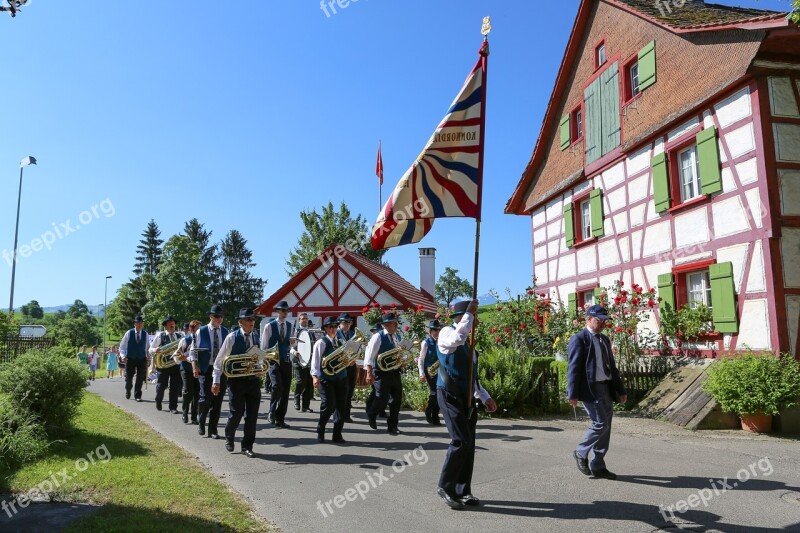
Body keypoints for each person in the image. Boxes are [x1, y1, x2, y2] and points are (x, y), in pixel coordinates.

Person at [435, 299, 497, 510]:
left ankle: (463, 489)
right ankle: (446, 486)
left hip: (467, 397)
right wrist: (468, 315)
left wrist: (485, 397)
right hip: (448, 393)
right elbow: (456, 338)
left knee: (468, 444)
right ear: (461, 318)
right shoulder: (446, 333)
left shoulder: (470, 347)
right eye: (473, 316)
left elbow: (473, 378)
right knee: (460, 440)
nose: (476, 320)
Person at [568, 304, 627, 481]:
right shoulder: (579, 339)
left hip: (606, 387)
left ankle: (598, 465)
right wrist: (572, 393)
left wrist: (620, 389)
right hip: (590, 389)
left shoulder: (604, 340)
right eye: (598, 320)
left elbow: (612, 367)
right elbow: (574, 368)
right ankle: (580, 452)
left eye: (604, 321)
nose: (602, 324)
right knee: (600, 423)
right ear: (588, 319)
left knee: (606, 426)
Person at [212, 308, 263, 458]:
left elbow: (259, 357)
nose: (252, 322)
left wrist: (260, 367)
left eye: (253, 320)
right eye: (248, 320)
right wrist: (216, 381)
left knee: (252, 416)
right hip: (236, 382)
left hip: (253, 381)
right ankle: (229, 436)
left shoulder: (256, 336)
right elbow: (219, 361)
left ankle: (247, 446)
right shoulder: (231, 337)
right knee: (236, 413)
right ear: (240, 322)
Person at [190, 305, 229, 439]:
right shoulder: (201, 331)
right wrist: (194, 366)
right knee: (205, 399)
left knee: (217, 401)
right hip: (206, 368)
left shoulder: (225, 331)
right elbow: (193, 350)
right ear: (211, 317)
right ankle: (201, 423)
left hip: (221, 369)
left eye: (221, 316)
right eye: (217, 316)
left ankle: (213, 429)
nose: (220, 319)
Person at [364, 312, 405, 436]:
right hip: (381, 372)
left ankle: (392, 426)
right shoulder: (378, 336)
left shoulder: (396, 336)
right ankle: (372, 413)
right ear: (387, 325)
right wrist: (369, 373)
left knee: (396, 400)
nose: (396, 325)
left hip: (394, 372)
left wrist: (402, 362)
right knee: (382, 397)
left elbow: (397, 354)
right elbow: (369, 356)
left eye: (396, 322)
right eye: (394, 323)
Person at [310, 316, 348, 443]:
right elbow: (315, 362)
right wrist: (315, 377)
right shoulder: (321, 343)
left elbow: (345, 358)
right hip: (326, 379)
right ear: (325, 328)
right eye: (330, 327)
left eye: (335, 326)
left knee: (341, 407)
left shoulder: (341, 341)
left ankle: (337, 434)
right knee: (329, 405)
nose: (333, 329)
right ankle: (321, 429)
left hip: (341, 377)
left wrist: (350, 361)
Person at [261, 300, 294, 428]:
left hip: (286, 360)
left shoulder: (291, 326)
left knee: (285, 391)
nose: (285, 313)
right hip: (273, 361)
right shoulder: (269, 326)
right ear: (277, 311)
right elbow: (264, 345)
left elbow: (292, 345)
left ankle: (280, 418)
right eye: (283, 310)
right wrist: (264, 362)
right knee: (277, 386)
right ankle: (271, 412)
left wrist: (293, 343)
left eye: (286, 310)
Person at [150, 315, 184, 414]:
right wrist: (155, 350)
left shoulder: (180, 336)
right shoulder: (160, 336)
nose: (171, 325)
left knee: (175, 386)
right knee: (161, 385)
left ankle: (173, 407)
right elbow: (150, 349)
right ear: (165, 326)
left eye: (173, 323)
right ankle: (158, 400)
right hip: (163, 365)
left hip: (176, 364)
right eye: (169, 324)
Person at [119, 316, 150, 402]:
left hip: (142, 358)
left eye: (141, 323)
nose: (139, 325)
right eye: (138, 323)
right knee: (129, 378)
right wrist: (123, 356)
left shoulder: (145, 334)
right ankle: (128, 390)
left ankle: (138, 395)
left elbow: (147, 348)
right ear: (134, 324)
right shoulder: (129, 333)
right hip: (130, 358)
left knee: (140, 378)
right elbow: (122, 346)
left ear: (143, 324)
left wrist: (149, 358)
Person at [177, 320, 202, 425]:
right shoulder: (185, 340)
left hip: (198, 369)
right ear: (191, 329)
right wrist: (185, 358)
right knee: (188, 391)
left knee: (197, 393)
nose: (200, 330)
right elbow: (177, 356)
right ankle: (185, 412)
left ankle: (194, 416)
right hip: (186, 369)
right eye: (198, 328)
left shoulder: (203, 340)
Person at [418, 319, 443, 425]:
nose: (437, 332)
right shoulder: (426, 342)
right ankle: (431, 413)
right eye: (435, 330)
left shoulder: (442, 341)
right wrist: (421, 373)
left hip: (440, 371)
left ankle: (434, 414)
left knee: (439, 393)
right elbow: (421, 359)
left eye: (438, 330)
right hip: (430, 371)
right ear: (431, 331)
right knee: (434, 393)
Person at [336, 313, 357, 423]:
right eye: (345, 322)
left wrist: (354, 359)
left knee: (349, 391)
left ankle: (346, 415)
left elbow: (355, 349)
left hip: (351, 366)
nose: (348, 324)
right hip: (340, 367)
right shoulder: (336, 334)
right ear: (340, 323)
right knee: (341, 392)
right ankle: (339, 414)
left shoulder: (353, 334)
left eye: (349, 322)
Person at [292, 312, 314, 413]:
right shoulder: (295, 331)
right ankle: (296, 400)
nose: (305, 320)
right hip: (298, 360)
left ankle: (305, 406)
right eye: (302, 318)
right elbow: (290, 346)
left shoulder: (311, 331)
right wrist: (294, 352)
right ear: (299, 320)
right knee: (301, 382)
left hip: (309, 361)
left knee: (309, 384)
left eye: (306, 318)